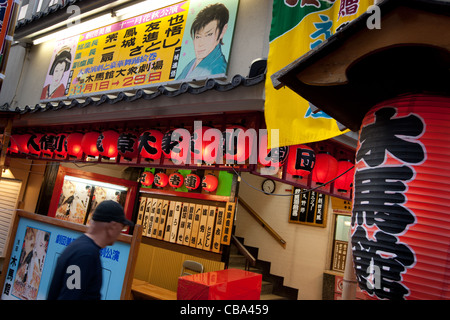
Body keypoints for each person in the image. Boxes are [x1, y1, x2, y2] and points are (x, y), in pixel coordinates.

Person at [47, 200, 133, 300]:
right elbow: (70, 296)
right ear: (112, 227)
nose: (120, 233)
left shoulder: (79, 246)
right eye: (122, 227)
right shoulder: (86, 255)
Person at [176, 3, 229, 80]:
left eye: (208, 35)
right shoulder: (193, 63)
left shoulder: (218, 68)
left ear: (223, 31)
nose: (200, 44)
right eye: (198, 37)